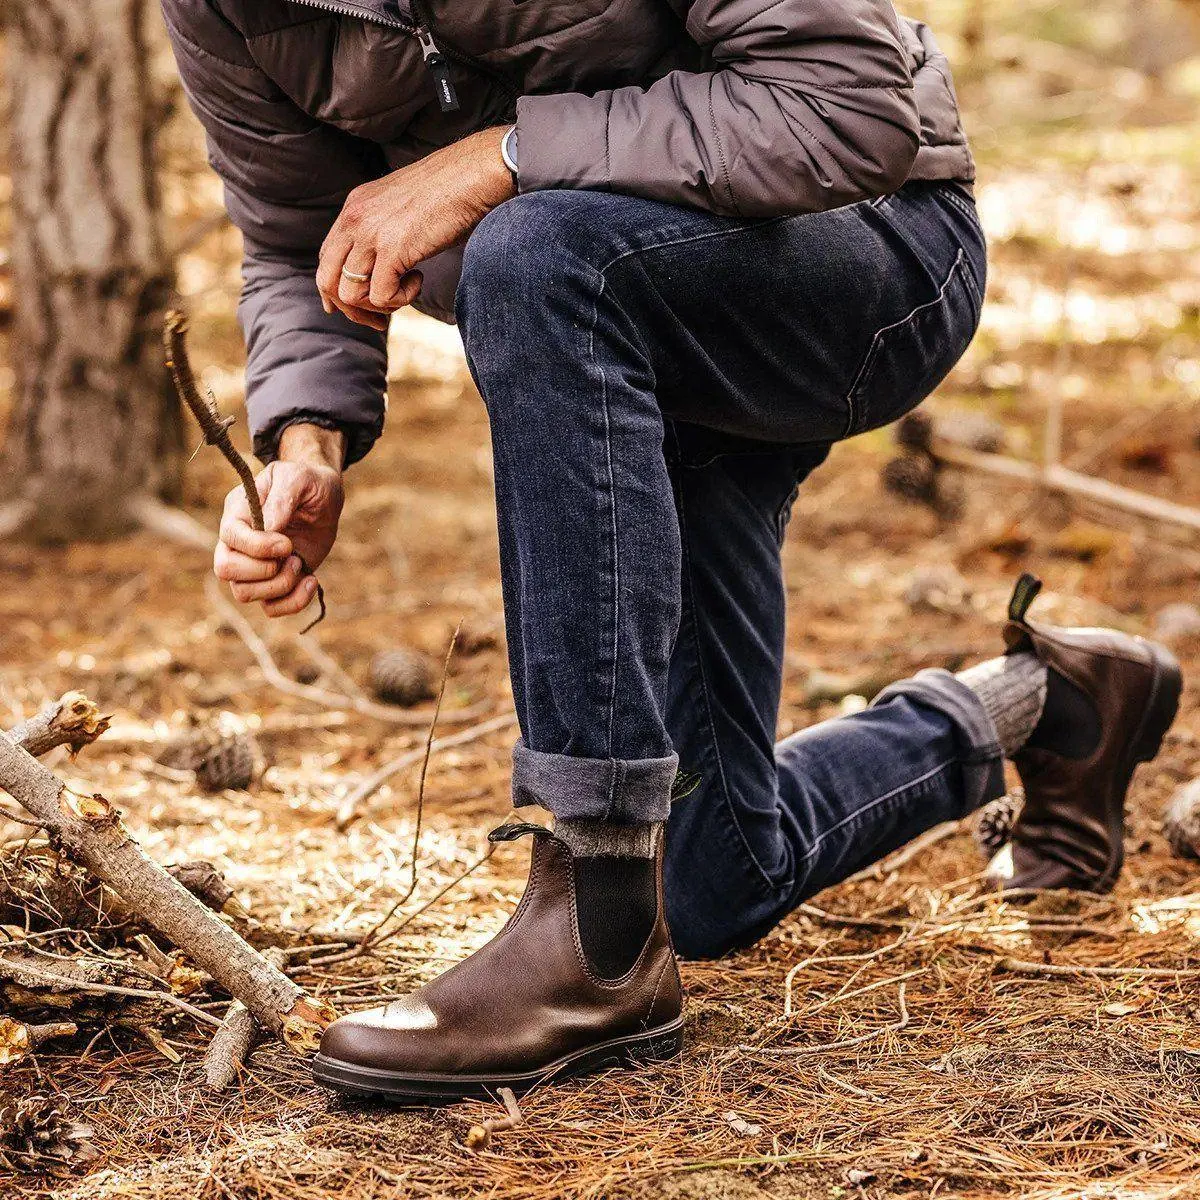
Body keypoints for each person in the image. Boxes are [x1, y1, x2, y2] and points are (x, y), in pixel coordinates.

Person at [163, 0, 1182, 1102]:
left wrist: (499, 158)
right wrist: (306, 441)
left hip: (866, 244)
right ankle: (1049, 700)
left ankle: (591, 923)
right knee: (708, 886)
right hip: (616, 337)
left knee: (535, 247)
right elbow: (295, 229)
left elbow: (848, 103)